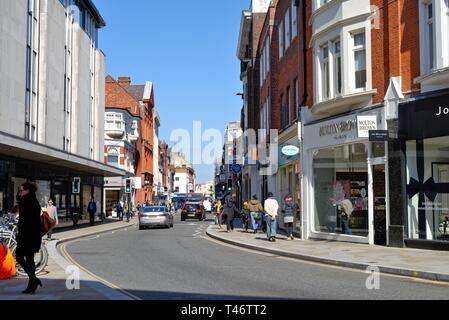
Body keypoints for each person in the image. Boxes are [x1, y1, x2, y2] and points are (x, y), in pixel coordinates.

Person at [16, 182, 43, 294]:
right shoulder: (34, 200)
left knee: (19, 257)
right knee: (29, 259)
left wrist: (20, 234)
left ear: (27, 191)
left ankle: (33, 280)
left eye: (21, 191)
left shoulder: (25, 201)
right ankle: (33, 282)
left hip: (26, 236)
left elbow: (24, 221)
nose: (20, 193)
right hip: (33, 236)